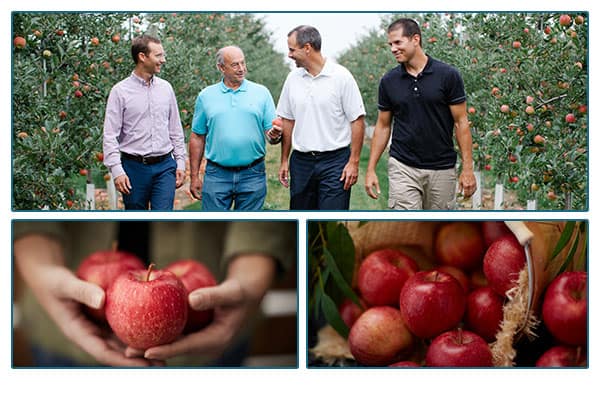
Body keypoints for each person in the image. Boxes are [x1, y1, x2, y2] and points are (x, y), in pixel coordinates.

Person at [12, 220, 296, 367]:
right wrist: (41, 267)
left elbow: (265, 220)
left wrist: (250, 274)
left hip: (214, 325)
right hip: (65, 341)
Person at [365, 18, 477, 210]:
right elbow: (383, 126)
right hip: (403, 165)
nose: (393, 49)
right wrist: (371, 169)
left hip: (442, 167)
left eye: (398, 42)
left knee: (437, 228)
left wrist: (467, 168)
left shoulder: (448, 75)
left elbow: (461, 122)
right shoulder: (389, 81)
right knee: (406, 226)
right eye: (390, 44)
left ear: (415, 39)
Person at [276, 25, 366, 210]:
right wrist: (284, 159)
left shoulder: (341, 77)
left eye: (292, 50)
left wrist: (354, 162)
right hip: (301, 162)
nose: (289, 55)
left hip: (335, 162)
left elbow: (357, 120)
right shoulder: (292, 79)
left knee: (331, 222)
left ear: (307, 48)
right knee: (302, 219)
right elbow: (287, 120)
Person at [189, 46, 282, 211]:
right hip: (217, 174)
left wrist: (274, 135)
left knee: (246, 230)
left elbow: (271, 135)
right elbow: (197, 136)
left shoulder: (262, 93)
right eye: (235, 65)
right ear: (221, 68)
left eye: (243, 63)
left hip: (252, 173)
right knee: (214, 229)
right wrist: (194, 176)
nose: (241, 69)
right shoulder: (206, 96)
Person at [103, 35, 186, 210]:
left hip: (164, 166)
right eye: (158, 55)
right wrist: (117, 170)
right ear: (142, 56)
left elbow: (175, 129)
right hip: (134, 168)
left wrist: (180, 162)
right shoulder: (120, 92)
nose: (163, 60)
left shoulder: (166, 89)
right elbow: (110, 135)